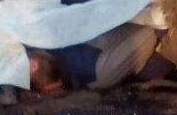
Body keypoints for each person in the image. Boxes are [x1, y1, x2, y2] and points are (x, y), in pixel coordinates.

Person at [27, 23, 161, 95]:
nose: (29, 63)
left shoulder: (42, 37)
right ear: (49, 89)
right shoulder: (99, 72)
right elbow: (150, 34)